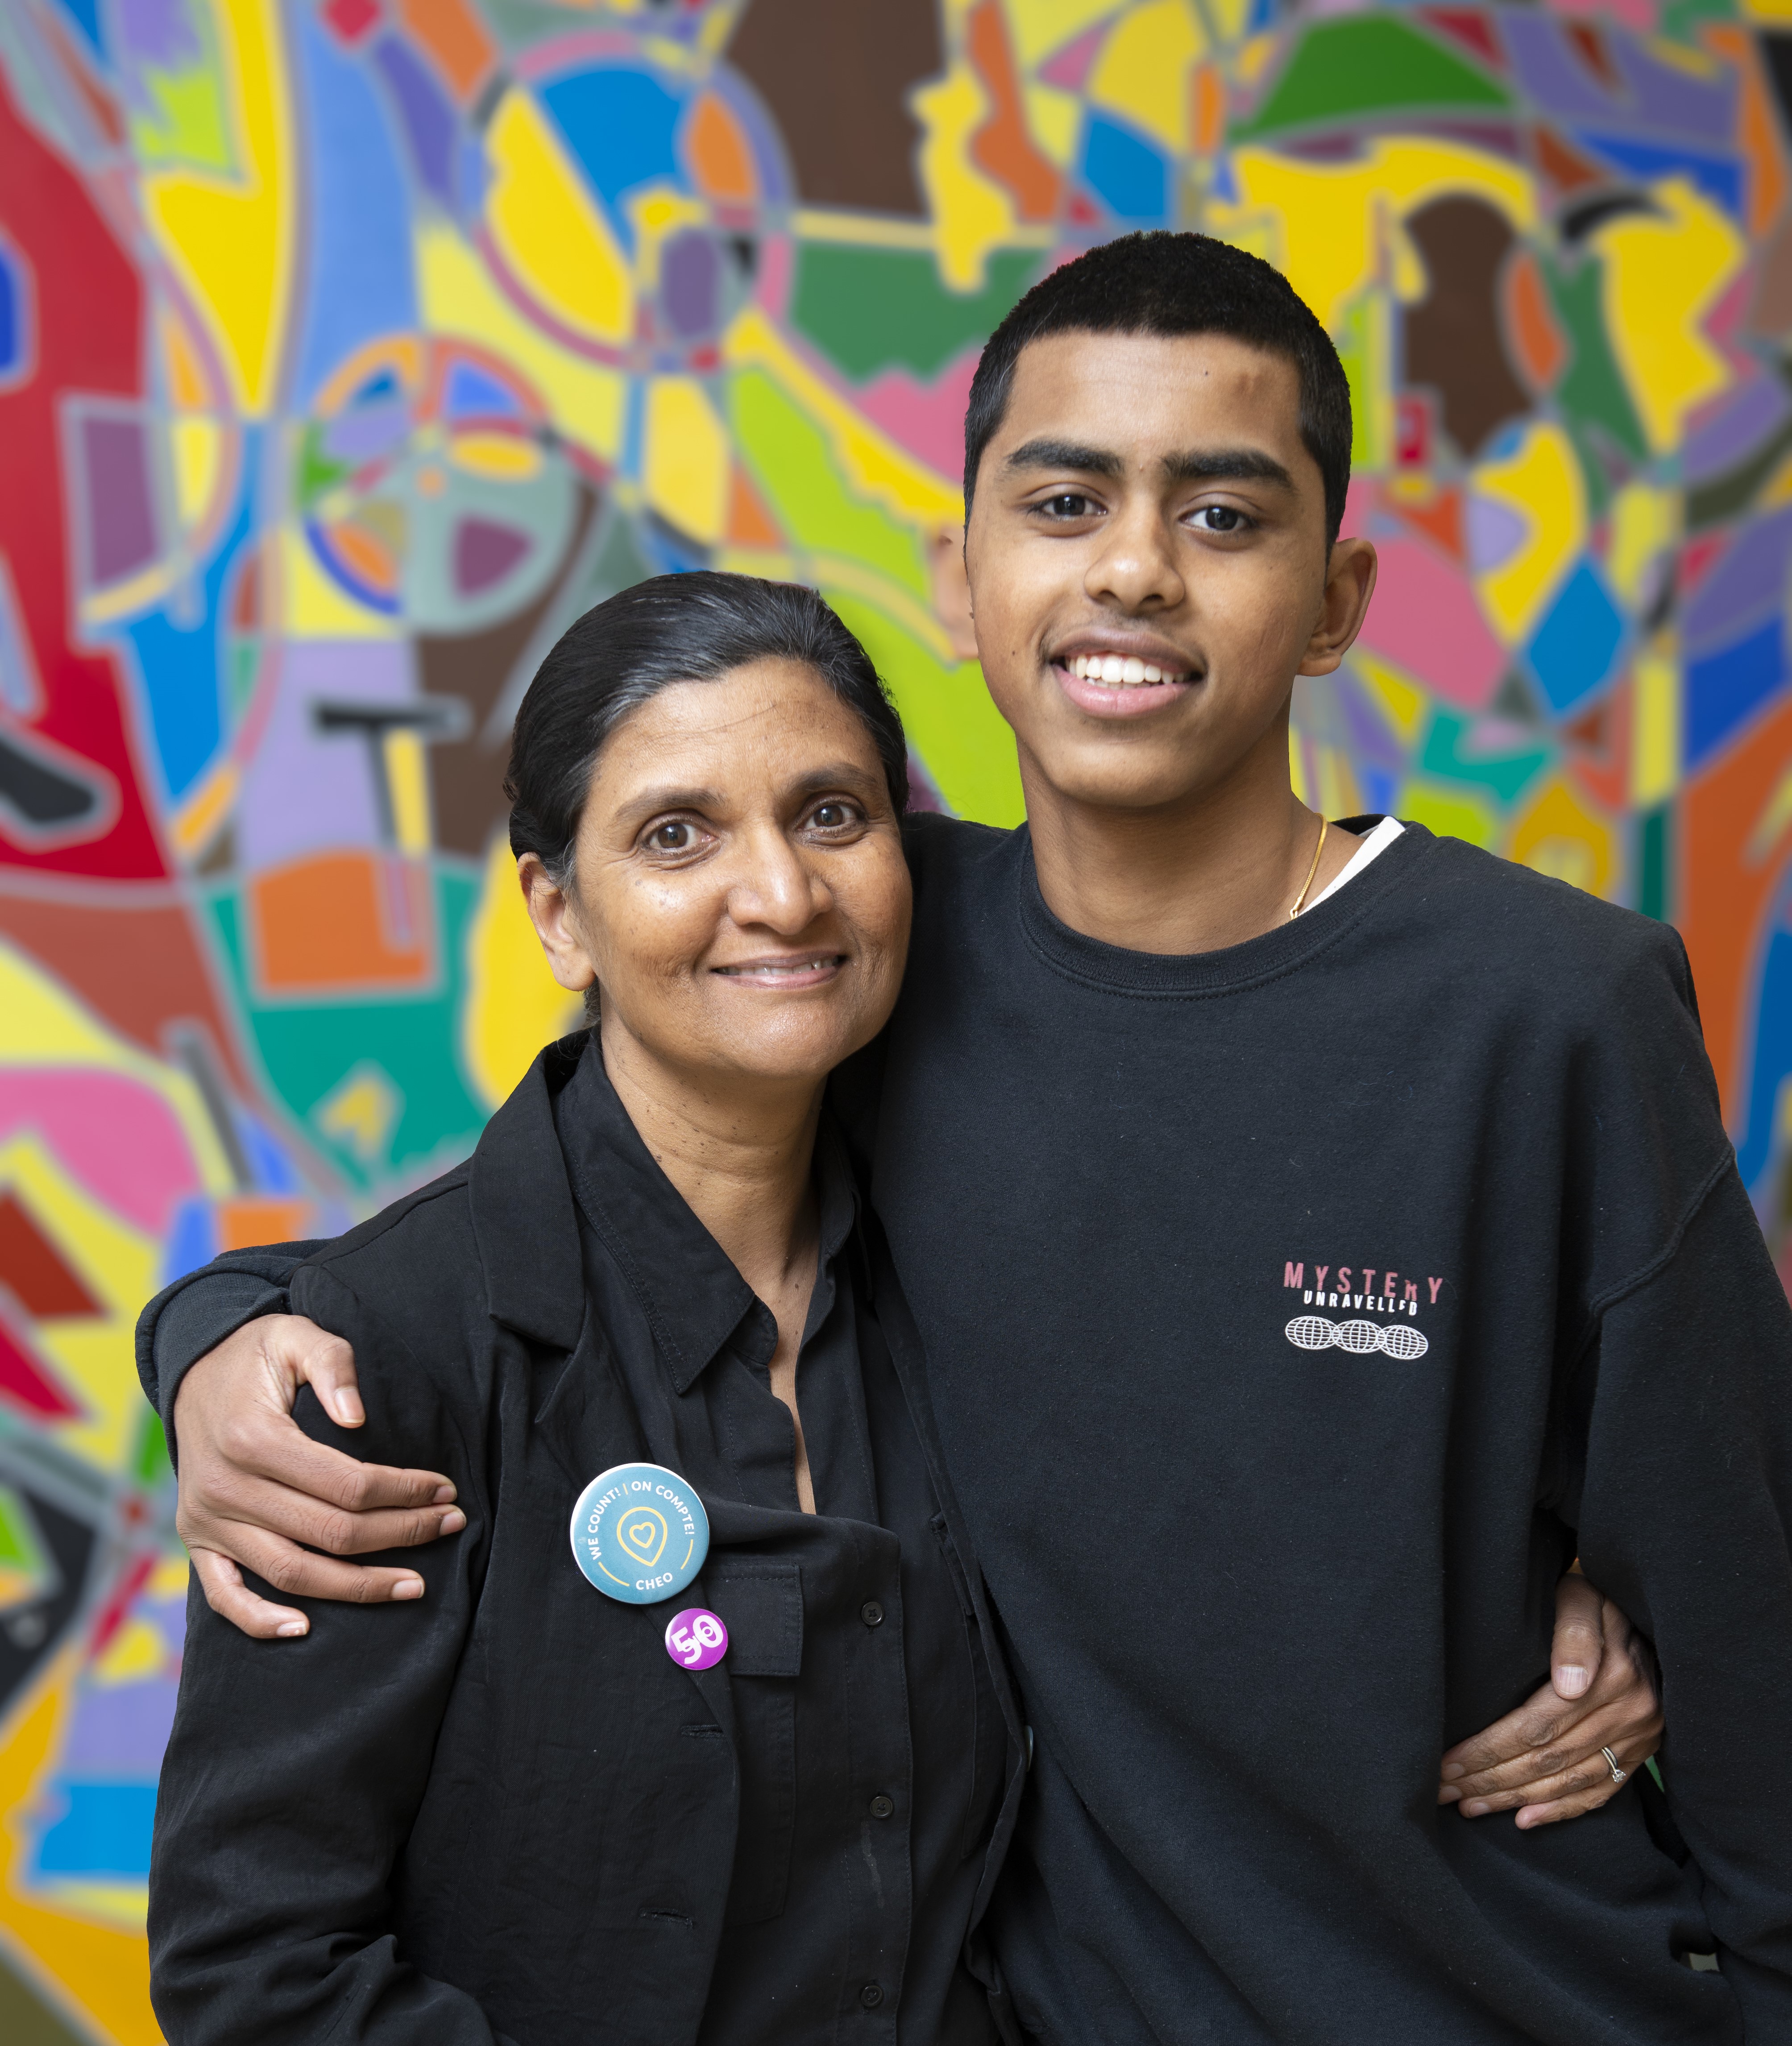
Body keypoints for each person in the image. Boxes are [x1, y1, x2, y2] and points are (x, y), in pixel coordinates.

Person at [138, 231, 1782, 2041]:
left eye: (1223, 516)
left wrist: (1544, 1587)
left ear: (1333, 597)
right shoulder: (865, 948)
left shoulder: (1550, 1008)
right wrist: (219, 1336)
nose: (1136, 570)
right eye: (1065, 501)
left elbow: (1743, 1599)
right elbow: (572, 1204)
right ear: (963, 573)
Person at [147, 576, 1027, 2045]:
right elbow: (259, 1973)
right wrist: (198, 1341)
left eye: (832, 813)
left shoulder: (982, 1268)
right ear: (559, 910)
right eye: (677, 834)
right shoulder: (378, 1359)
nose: (784, 893)